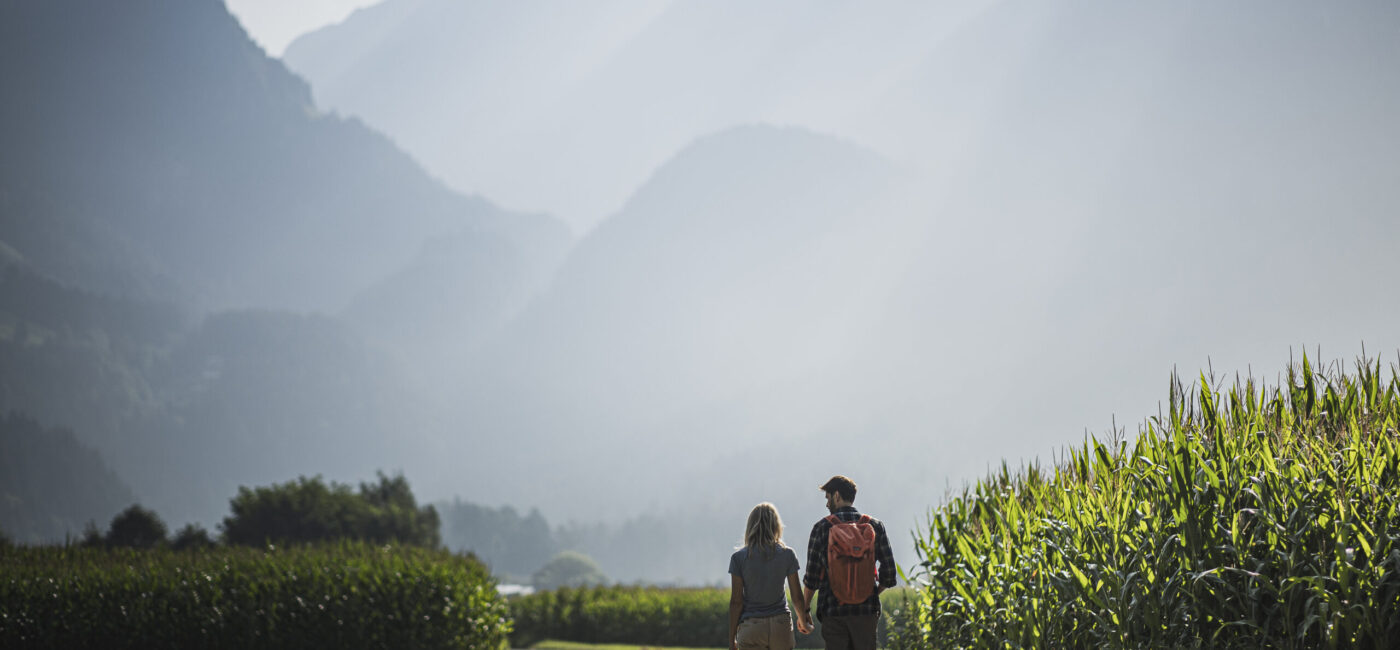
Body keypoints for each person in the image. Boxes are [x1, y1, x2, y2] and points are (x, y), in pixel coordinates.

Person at [801, 475, 896, 650]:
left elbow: (812, 578)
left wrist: (805, 610)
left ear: (836, 495)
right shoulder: (875, 526)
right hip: (866, 613)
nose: (827, 504)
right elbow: (889, 573)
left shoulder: (822, 528)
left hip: (833, 612)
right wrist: (870, 594)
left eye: (828, 497)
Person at [729, 502, 815, 650]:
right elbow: (796, 596)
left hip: (751, 626)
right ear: (776, 525)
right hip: (781, 625)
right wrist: (804, 622)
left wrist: (732, 640)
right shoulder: (787, 554)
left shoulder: (738, 558)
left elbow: (736, 602)